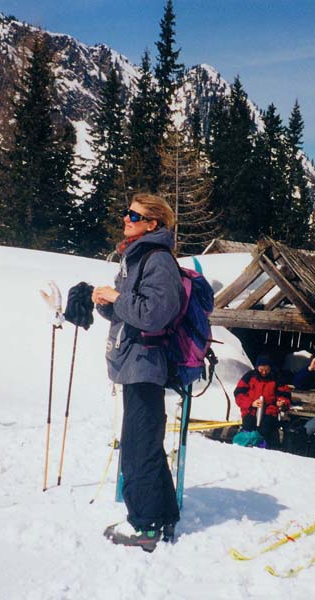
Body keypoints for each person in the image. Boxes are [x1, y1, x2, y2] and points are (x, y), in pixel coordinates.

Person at [92, 193, 183, 552]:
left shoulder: (157, 259)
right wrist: (103, 304)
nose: (126, 219)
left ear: (153, 225)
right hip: (134, 362)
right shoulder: (136, 257)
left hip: (146, 364)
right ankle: (165, 514)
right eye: (126, 213)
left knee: (137, 449)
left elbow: (155, 315)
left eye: (134, 215)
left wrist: (117, 298)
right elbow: (132, 313)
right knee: (145, 445)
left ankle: (144, 527)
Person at [234, 354, 291, 448]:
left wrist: (282, 403)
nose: (264, 372)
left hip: (269, 409)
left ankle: (262, 446)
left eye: (267, 369)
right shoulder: (249, 376)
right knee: (248, 425)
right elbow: (239, 393)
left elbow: (285, 395)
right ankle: (246, 444)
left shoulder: (276, 378)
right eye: (261, 369)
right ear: (257, 367)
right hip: (250, 408)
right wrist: (251, 403)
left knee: (266, 428)